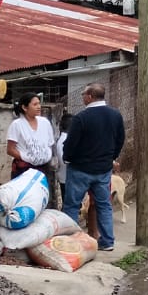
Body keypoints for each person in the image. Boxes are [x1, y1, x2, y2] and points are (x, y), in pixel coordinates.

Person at [62, 83, 125, 252]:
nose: (82, 97)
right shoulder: (115, 115)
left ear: (89, 96)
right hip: (103, 170)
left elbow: (71, 143)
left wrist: (67, 158)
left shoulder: (81, 118)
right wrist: (111, 157)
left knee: (72, 205)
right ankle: (108, 241)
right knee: (104, 205)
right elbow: (120, 140)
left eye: (83, 94)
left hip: (80, 169)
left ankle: (69, 240)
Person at [5, 94, 57, 190]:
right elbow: (10, 150)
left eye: (39, 104)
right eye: (35, 104)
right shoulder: (17, 125)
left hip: (43, 168)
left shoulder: (45, 123)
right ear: (25, 107)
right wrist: (28, 158)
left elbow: (50, 144)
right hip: (24, 169)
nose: (39, 107)